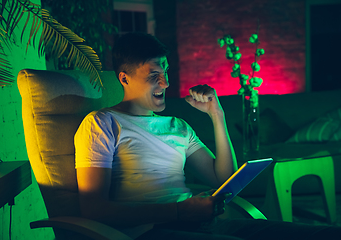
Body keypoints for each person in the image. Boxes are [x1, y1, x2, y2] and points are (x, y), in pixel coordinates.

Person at [74, 32, 340, 240]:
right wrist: (180, 211)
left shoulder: (178, 126)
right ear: (124, 78)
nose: (165, 83)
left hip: (197, 224)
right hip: (148, 232)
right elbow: (94, 209)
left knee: (321, 234)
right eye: (154, 75)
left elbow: (224, 180)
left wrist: (217, 115)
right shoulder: (103, 124)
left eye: (165, 71)